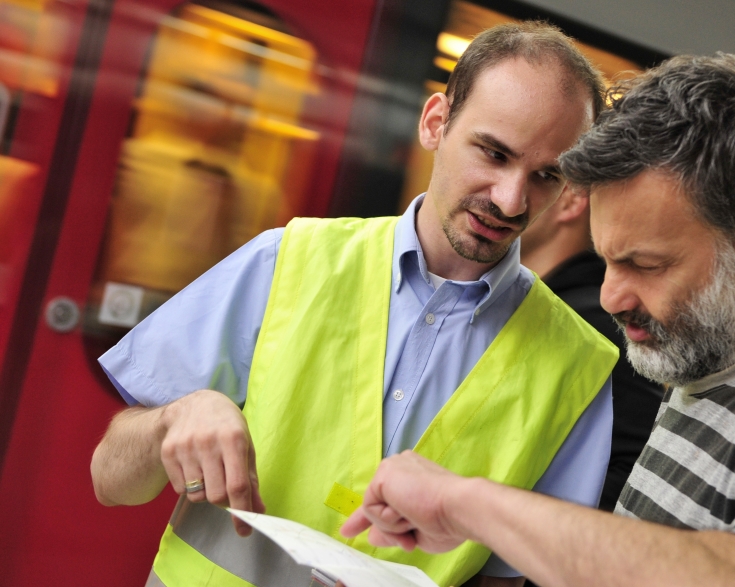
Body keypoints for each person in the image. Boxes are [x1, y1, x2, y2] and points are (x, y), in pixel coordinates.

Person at [90, 22, 618, 587]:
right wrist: (173, 416)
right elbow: (110, 479)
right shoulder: (287, 260)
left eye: (546, 175)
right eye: (493, 153)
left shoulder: (578, 366)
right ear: (435, 122)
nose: (512, 199)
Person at [341, 53, 735, 587]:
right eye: (607, 260)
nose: (611, 298)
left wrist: (466, 503)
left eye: (646, 264)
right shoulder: (697, 369)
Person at [520, 185, 664, 511]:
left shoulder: (595, 321)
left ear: (571, 199)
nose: (505, 194)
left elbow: (633, 465)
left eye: (542, 176)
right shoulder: (534, 307)